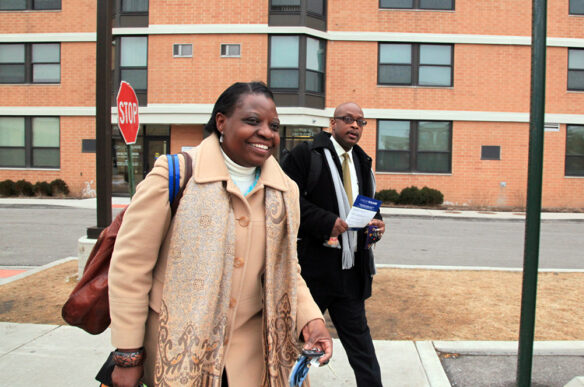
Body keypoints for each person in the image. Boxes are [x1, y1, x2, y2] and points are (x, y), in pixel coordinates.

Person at [108, 81, 332, 387]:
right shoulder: (173, 176)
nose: (266, 132)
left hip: (255, 361)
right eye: (253, 121)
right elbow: (130, 269)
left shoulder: (285, 191)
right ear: (221, 122)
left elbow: (287, 269)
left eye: (274, 125)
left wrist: (312, 320)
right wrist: (128, 354)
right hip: (179, 355)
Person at [281, 102, 385, 386]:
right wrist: (326, 221)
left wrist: (377, 221)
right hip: (313, 272)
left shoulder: (363, 161)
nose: (355, 126)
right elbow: (286, 200)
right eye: (348, 119)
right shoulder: (307, 155)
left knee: (362, 350)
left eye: (360, 122)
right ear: (333, 124)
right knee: (292, 346)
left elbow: (367, 206)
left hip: (351, 274)